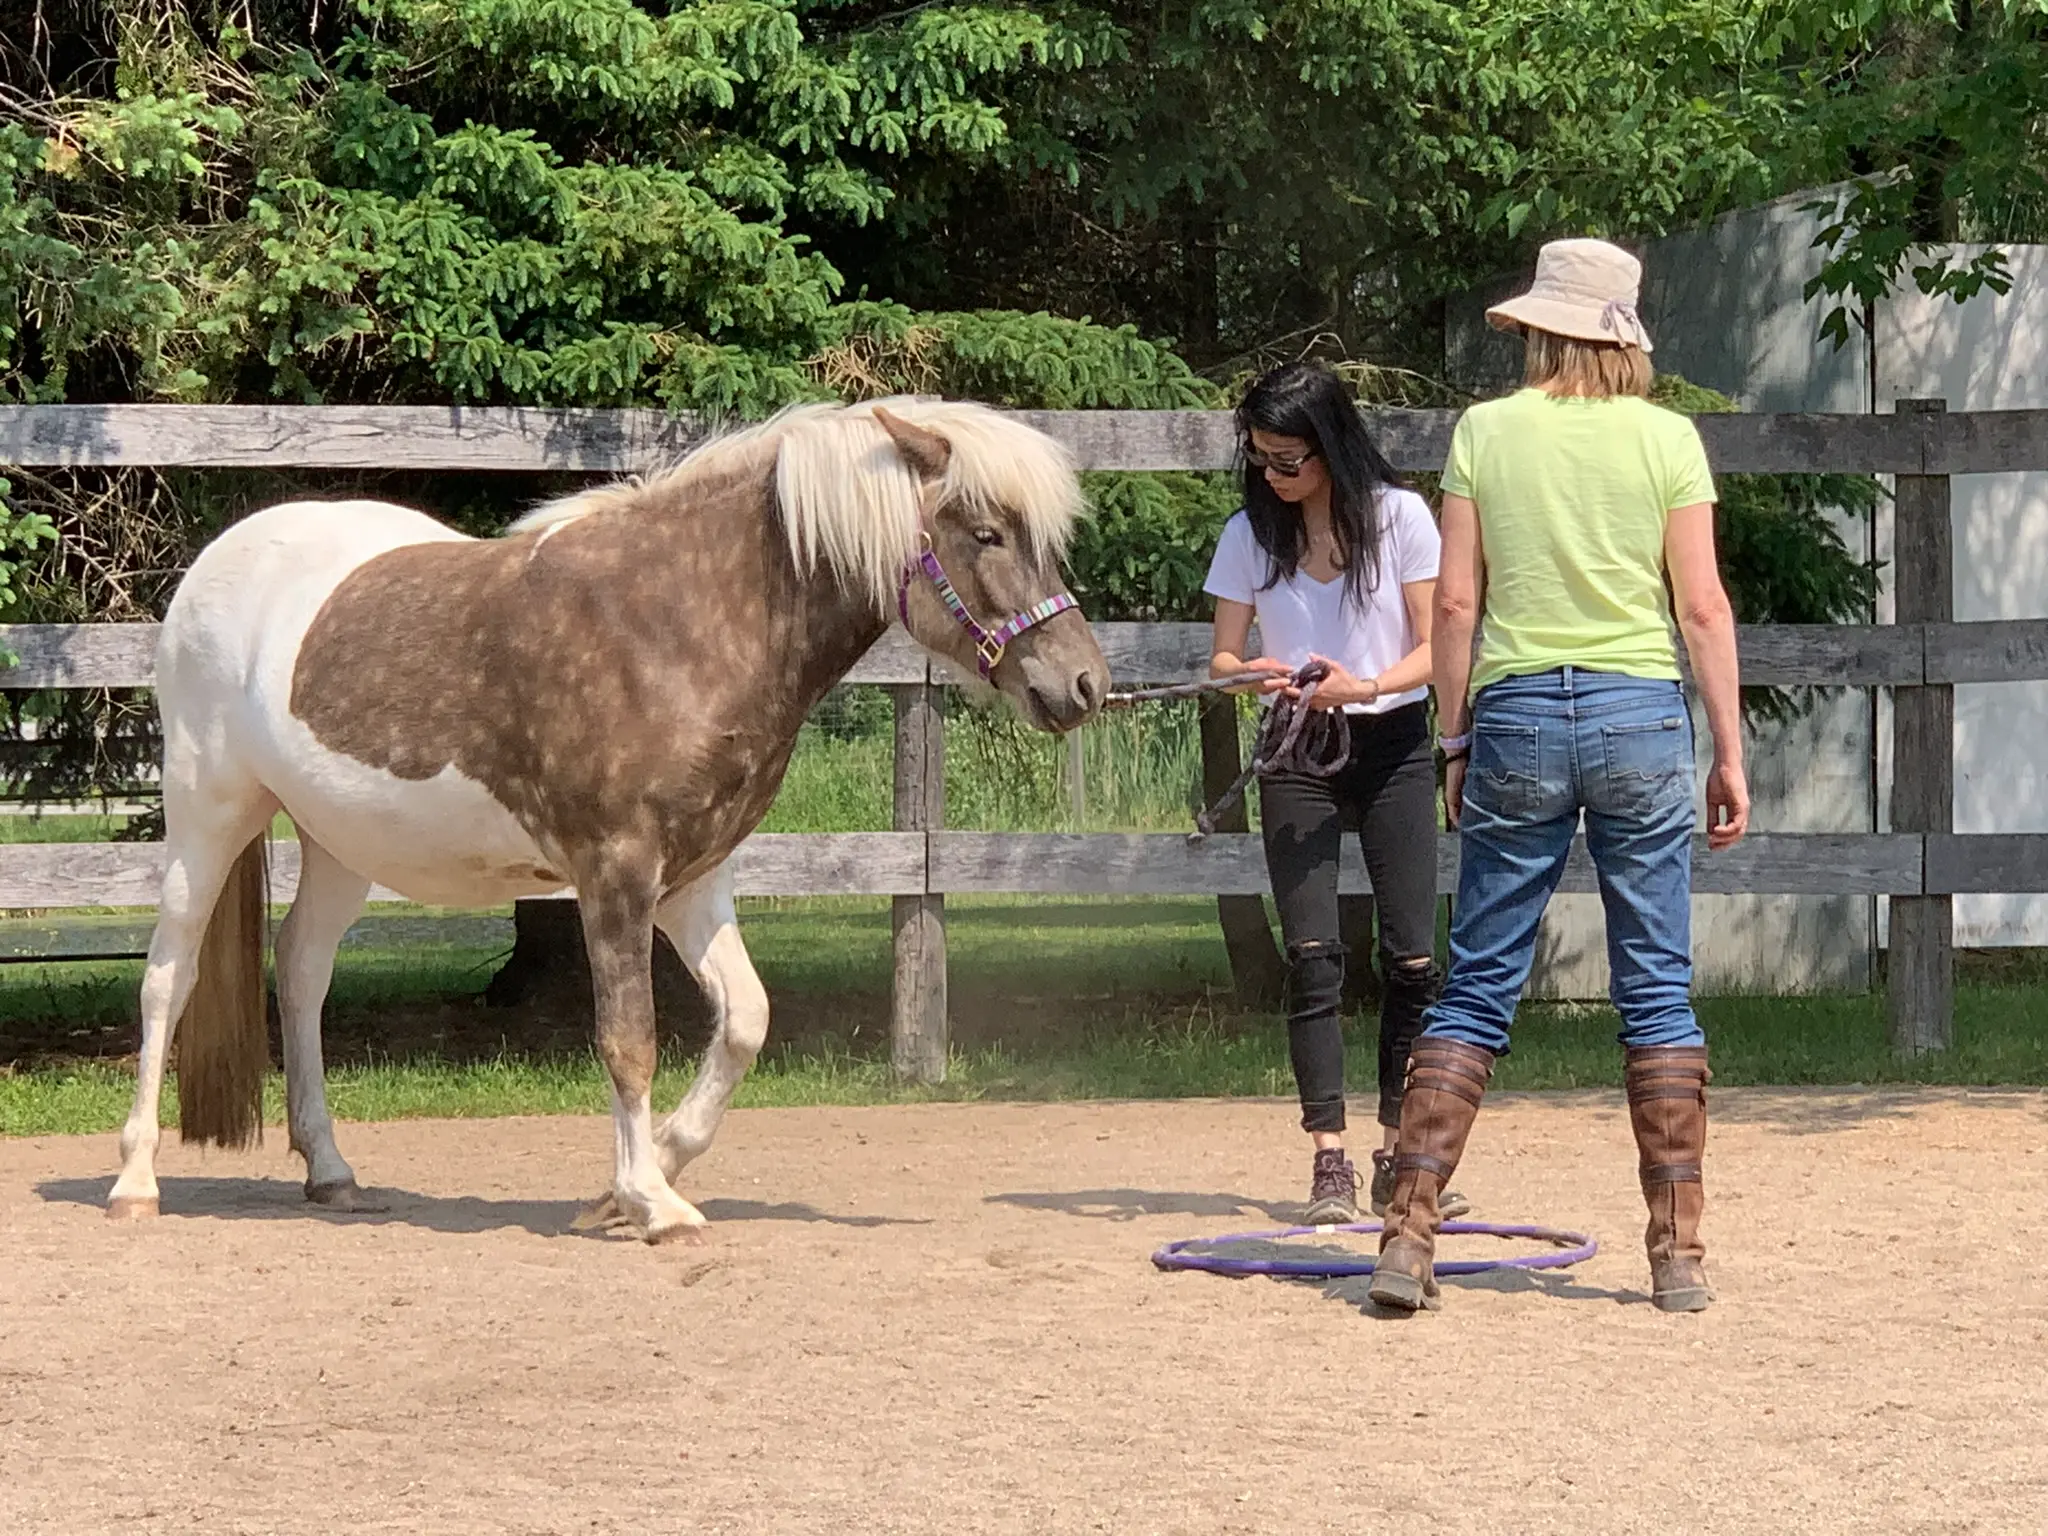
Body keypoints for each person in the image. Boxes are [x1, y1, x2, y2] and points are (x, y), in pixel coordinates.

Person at [1368, 238, 1749, 1315]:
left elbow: (1452, 606)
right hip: (1636, 713)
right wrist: (1724, 746)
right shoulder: (1667, 439)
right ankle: (1675, 1256)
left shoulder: (1484, 432)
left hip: (1520, 712)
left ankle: (1406, 1234)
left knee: (1478, 977)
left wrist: (1451, 739)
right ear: (1621, 333)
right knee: (1654, 985)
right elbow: (1701, 607)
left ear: (1540, 328)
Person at [1203, 360, 1470, 1226]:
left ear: (1332, 445)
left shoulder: (1401, 520)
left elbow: (1440, 647)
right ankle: (1329, 1156)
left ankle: (1400, 1145)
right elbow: (1223, 662)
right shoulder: (1250, 535)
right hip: (1297, 748)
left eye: (1290, 460)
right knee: (1312, 955)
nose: (1276, 478)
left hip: (1389, 741)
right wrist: (1257, 676)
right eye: (1263, 461)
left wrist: (1368, 687)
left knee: (1413, 958)